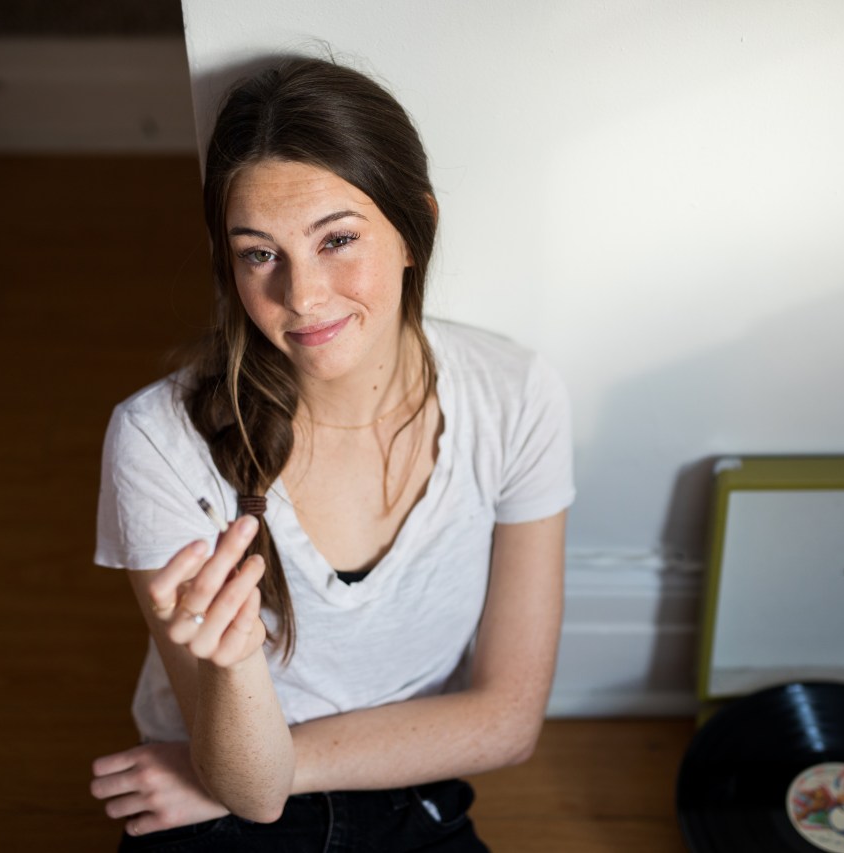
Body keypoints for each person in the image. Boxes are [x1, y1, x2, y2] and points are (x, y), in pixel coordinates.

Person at [88, 56, 574, 852]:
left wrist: (284, 764)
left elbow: (508, 720)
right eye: (259, 253)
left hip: (398, 777)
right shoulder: (158, 440)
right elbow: (250, 790)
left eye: (337, 239)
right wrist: (236, 669)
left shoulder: (515, 395)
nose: (303, 296)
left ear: (415, 229)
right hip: (223, 796)